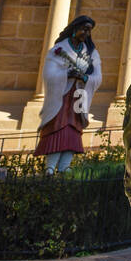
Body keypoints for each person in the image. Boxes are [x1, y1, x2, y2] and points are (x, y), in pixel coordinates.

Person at [34, 17, 101, 174]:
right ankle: (50, 167)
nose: (86, 32)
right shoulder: (59, 49)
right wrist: (67, 74)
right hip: (61, 97)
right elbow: (49, 73)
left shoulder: (91, 53)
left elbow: (98, 77)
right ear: (74, 28)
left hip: (78, 97)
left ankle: (65, 166)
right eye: (84, 28)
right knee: (57, 127)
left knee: (73, 130)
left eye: (89, 30)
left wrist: (85, 78)